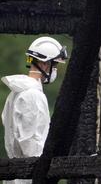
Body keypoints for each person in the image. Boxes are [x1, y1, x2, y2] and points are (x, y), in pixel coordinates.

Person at [1, 37, 67, 184]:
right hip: (28, 178)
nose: (55, 69)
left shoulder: (15, 93)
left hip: (14, 176)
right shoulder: (32, 95)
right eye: (54, 64)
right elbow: (31, 146)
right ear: (44, 63)